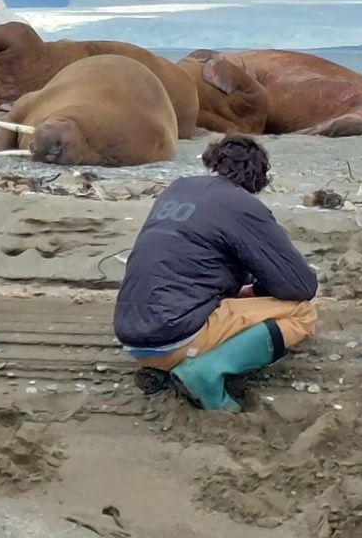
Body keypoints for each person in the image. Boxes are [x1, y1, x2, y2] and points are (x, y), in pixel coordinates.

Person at [114, 134, 317, 412]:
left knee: (218, 300)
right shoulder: (242, 205)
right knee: (301, 312)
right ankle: (208, 370)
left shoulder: (178, 189)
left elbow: (194, 263)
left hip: (131, 335)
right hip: (173, 337)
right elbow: (300, 285)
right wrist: (257, 291)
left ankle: (166, 373)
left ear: (213, 162)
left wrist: (242, 290)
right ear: (258, 179)